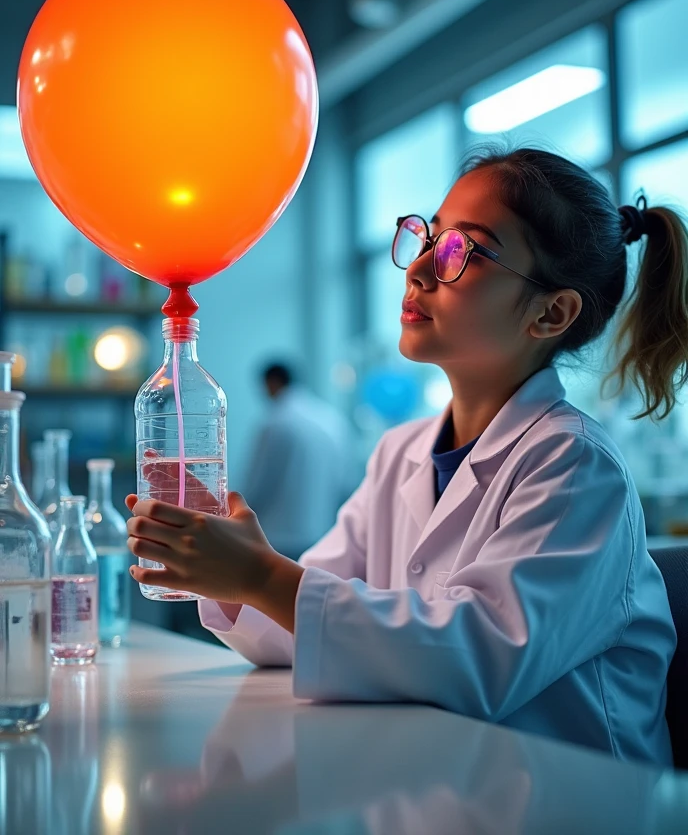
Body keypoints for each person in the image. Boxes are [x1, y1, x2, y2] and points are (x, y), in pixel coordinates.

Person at [125, 147, 682, 765]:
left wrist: (260, 576)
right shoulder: (402, 453)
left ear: (552, 313)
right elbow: (307, 620)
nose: (417, 269)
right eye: (427, 237)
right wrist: (233, 579)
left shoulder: (576, 468)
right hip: (432, 780)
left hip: (574, 800)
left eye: (459, 251)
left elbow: (479, 660)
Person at [241, 363, 354, 559]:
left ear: (272, 382)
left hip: (278, 536)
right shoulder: (331, 418)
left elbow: (258, 485)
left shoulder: (275, 422)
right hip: (322, 532)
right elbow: (345, 481)